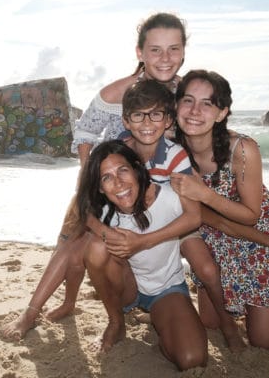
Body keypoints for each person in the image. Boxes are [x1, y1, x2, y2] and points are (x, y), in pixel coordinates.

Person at [0, 12, 189, 341]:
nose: (165, 58)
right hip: (106, 183)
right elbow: (85, 131)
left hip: (150, 194)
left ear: (183, 51)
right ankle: (36, 312)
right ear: (139, 52)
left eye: (173, 49)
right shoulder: (117, 92)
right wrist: (90, 179)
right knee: (70, 246)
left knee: (106, 250)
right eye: (155, 50)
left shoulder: (183, 94)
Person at [171, 69, 269, 349]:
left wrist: (204, 194)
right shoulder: (172, 149)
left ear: (221, 112)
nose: (194, 111)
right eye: (187, 100)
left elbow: (252, 215)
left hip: (255, 234)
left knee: (268, 341)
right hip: (211, 234)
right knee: (210, 322)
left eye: (207, 103)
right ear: (176, 105)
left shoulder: (242, 149)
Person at [76, 140, 208, 371]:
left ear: (137, 169)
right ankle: (116, 321)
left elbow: (198, 217)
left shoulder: (168, 197)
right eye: (106, 178)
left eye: (123, 170)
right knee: (96, 248)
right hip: (128, 287)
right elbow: (82, 211)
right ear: (99, 187)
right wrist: (101, 230)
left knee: (192, 359)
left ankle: (161, 320)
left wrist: (140, 242)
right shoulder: (104, 212)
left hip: (166, 287)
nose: (118, 183)